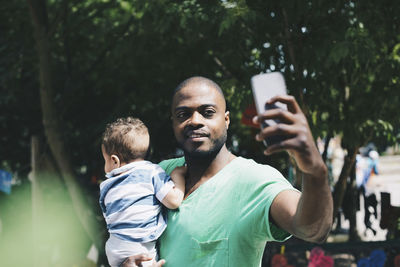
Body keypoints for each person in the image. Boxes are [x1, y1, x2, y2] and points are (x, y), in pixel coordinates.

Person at [122, 76, 333, 267]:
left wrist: (315, 171)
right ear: (173, 123)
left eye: (208, 112)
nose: (195, 121)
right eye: (183, 114)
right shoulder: (157, 175)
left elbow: (312, 229)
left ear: (226, 120)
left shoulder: (254, 180)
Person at [99, 117, 185, 267]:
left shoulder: (106, 186)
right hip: (139, 247)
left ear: (114, 160)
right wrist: (178, 177)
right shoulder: (151, 172)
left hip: (114, 248)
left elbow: (109, 216)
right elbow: (174, 201)